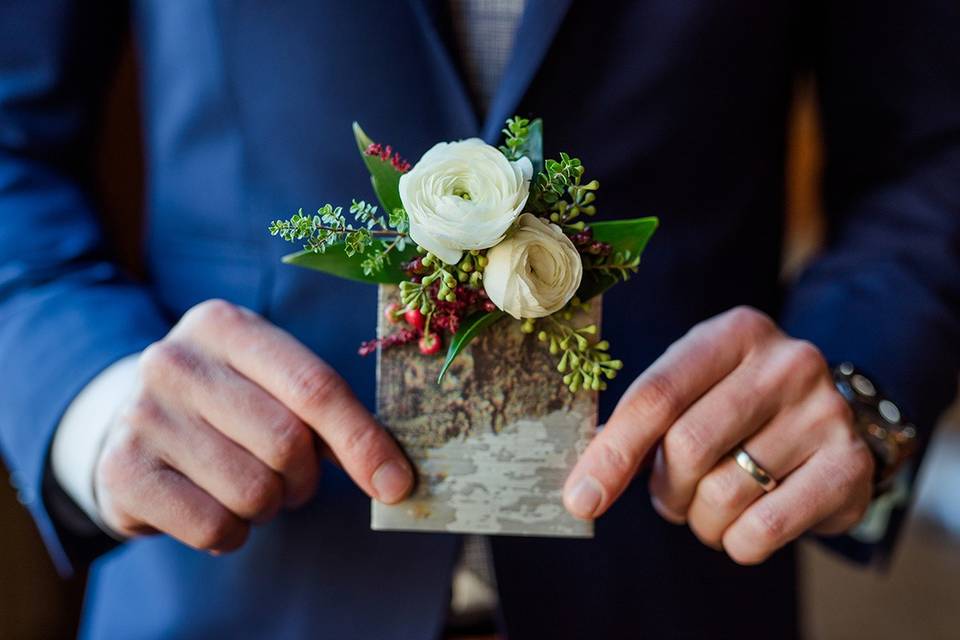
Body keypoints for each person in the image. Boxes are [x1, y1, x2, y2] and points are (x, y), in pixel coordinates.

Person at [1, 1, 958, 638]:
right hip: (236, 583)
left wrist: (856, 378)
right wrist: (90, 391)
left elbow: (937, 147)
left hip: (672, 576)